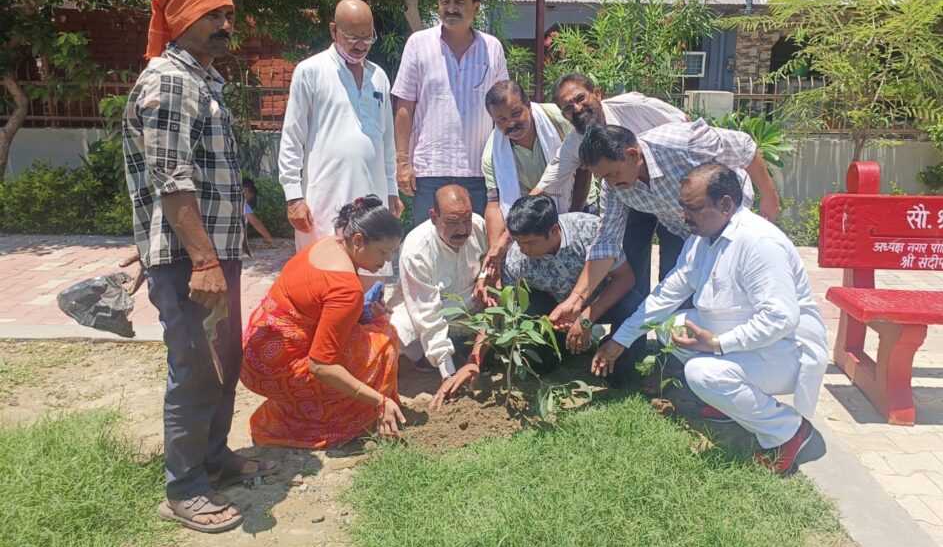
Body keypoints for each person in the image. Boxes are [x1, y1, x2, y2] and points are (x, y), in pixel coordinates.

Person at [124, 0, 275, 534]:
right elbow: (172, 177)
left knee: (222, 361)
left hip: (213, 253)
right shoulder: (167, 80)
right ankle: (184, 488)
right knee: (194, 367)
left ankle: (213, 457)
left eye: (229, 13)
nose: (225, 23)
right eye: (212, 13)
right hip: (192, 260)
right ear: (182, 17)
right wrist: (205, 259)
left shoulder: (201, 80)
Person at [591, 163, 829, 475]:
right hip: (752, 338)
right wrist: (620, 340)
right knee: (668, 326)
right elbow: (666, 295)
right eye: (682, 207)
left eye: (693, 208)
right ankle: (732, 403)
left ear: (726, 204)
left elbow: (781, 319)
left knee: (702, 373)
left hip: (789, 349)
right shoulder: (703, 237)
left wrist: (717, 345)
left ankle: (788, 431)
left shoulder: (759, 243)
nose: (684, 216)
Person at [549, 120, 781, 330]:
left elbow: (743, 147)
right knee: (686, 293)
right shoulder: (614, 187)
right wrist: (575, 300)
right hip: (683, 230)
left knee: (731, 281)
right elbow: (606, 243)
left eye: (613, 174)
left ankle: (752, 334)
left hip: (727, 213)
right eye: (604, 178)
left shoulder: (681, 143)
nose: (610, 183)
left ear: (631, 154)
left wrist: (769, 197)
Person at [241, 197, 406, 448]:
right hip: (278, 368)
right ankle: (340, 421)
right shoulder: (346, 287)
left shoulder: (326, 245)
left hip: (254, 354)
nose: (385, 261)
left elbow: (318, 308)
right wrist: (378, 401)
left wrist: (362, 313)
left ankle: (299, 410)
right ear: (358, 240)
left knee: (374, 324)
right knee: (384, 339)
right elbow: (320, 365)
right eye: (383, 251)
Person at [532, 72, 688, 294]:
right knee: (632, 262)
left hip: (669, 191)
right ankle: (636, 325)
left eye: (580, 98)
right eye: (567, 107)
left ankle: (672, 323)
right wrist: (518, 224)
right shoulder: (577, 141)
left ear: (597, 93)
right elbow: (550, 178)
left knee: (676, 265)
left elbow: (684, 123)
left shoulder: (632, 105)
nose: (576, 109)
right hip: (631, 197)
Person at [279, 0, 402, 259]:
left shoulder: (378, 75)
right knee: (325, 276)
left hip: (373, 199)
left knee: (371, 284)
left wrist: (392, 190)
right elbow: (292, 137)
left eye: (367, 38)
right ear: (333, 30)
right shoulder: (310, 71)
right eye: (352, 38)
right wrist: (293, 197)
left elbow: (387, 139)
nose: (360, 46)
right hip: (324, 201)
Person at [392, 0, 509, 224]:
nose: (451, 8)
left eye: (459, 2)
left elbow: (502, 108)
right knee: (428, 246)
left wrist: (504, 164)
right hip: (428, 170)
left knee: (476, 247)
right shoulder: (418, 44)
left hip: (480, 171)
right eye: (445, 1)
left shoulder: (492, 49)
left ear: (476, 7)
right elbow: (404, 106)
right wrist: (402, 162)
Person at [502, 195, 643, 370]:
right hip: (556, 311)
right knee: (539, 364)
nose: (523, 250)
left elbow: (625, 278)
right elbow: (511, 305)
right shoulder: (516, 260)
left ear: (554, 230)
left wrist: (586, 319)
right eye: (518, 242)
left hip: (603, 301)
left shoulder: (589, 230)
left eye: (530, 243)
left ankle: (613, 357)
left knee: (633, 305)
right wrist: (548, 321)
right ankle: (558, 348)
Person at [391, 185, 488, 407]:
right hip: (430, 310)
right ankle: (434, 357)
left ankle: (471, 350)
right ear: (434, 217)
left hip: (471, 308)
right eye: (452, 223)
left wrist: (484, 278)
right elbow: (427, 314)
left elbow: (490, 264)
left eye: (466, 220)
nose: (463, 230)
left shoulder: (479, 225)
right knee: (396, 326)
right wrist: (447, 372)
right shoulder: (416, 250)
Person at [480, 80, 574, 284]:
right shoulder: (492, 154)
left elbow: (582, 167)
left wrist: (575, 210)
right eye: (501, 120)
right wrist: (496, 254)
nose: (510, 124)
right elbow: (495, 206)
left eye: (516, 113)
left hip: (576, 201)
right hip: (531, 220)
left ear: (529, 105)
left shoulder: (559, 119)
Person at [241, 178, 275, 247]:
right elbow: (255, 222)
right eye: (250, 197)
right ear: (246, 191)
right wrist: (268, 238)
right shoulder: (242, 203)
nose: (249, 200)